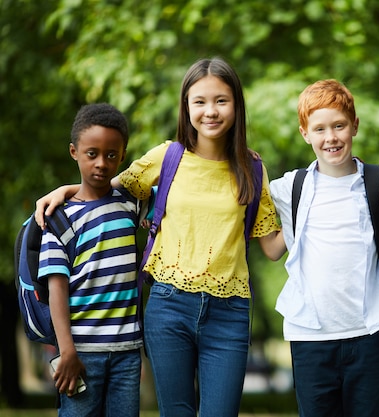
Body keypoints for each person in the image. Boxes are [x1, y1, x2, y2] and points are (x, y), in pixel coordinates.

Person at [36, 57, 285, 417]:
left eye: (221, 101)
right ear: (186, 107)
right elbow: (105, 189)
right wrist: (66, 189)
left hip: (229, 312)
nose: (210, 111)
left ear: (236, 106)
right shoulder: (166, 157)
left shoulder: (252, 170)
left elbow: (274, 249)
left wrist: (311, 210)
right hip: (169, 306)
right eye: (199, 101)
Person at [269, 79, 379, 417]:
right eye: (320, 129)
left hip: (369, 332)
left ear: (354, 125)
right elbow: (242, 206)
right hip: (310, 337)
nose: (331, 137)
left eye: (339, 126)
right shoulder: (289, 188)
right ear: (305, 133)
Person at [39, 103, 143, 416]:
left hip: (128, 351)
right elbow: (57, 288)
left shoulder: (131, 203)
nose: (101, 163)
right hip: (81, 353)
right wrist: (66, 349)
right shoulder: (58, 219)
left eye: (111, 155)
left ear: (123, 156)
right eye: (91, 153)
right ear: (74, 152)